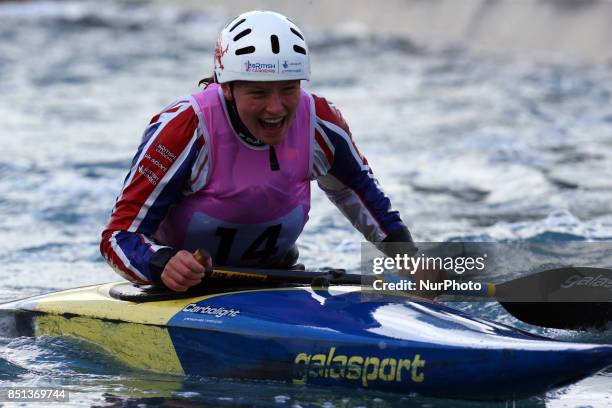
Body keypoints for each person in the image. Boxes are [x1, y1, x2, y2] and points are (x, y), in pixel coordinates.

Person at [100, 10, 417, 292]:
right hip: (182, 293)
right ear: (227, 88)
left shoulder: (320, 121)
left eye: (289, 89)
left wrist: (412, 262)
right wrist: (161, 264)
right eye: (259, 93)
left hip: (276, 281)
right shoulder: (185, 129)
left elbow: (358, 193)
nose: (276, 108)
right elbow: (118, 236)